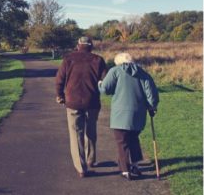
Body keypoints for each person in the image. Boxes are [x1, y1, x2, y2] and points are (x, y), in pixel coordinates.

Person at [98, 52, 159, 180]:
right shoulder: (143, 73)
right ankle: (135, 165)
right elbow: (151, 94)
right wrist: (152, 107)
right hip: (138, 114)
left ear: (118, 62)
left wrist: (99, 84)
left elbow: (105, 89)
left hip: (120, 115)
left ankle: (125, 170)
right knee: (133, 139)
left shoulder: (115, 71)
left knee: (122, 142)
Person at [55, 36, 107, 178]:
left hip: (72, 101)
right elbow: (105, 81)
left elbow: (59, 79)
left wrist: (59, 95)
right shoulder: (98, 60)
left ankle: (81, 167)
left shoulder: (68, 59)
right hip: (92, 101)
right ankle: (91, 160)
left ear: (78, 45)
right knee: (91, 131)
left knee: (75, 133)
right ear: (91, 46)